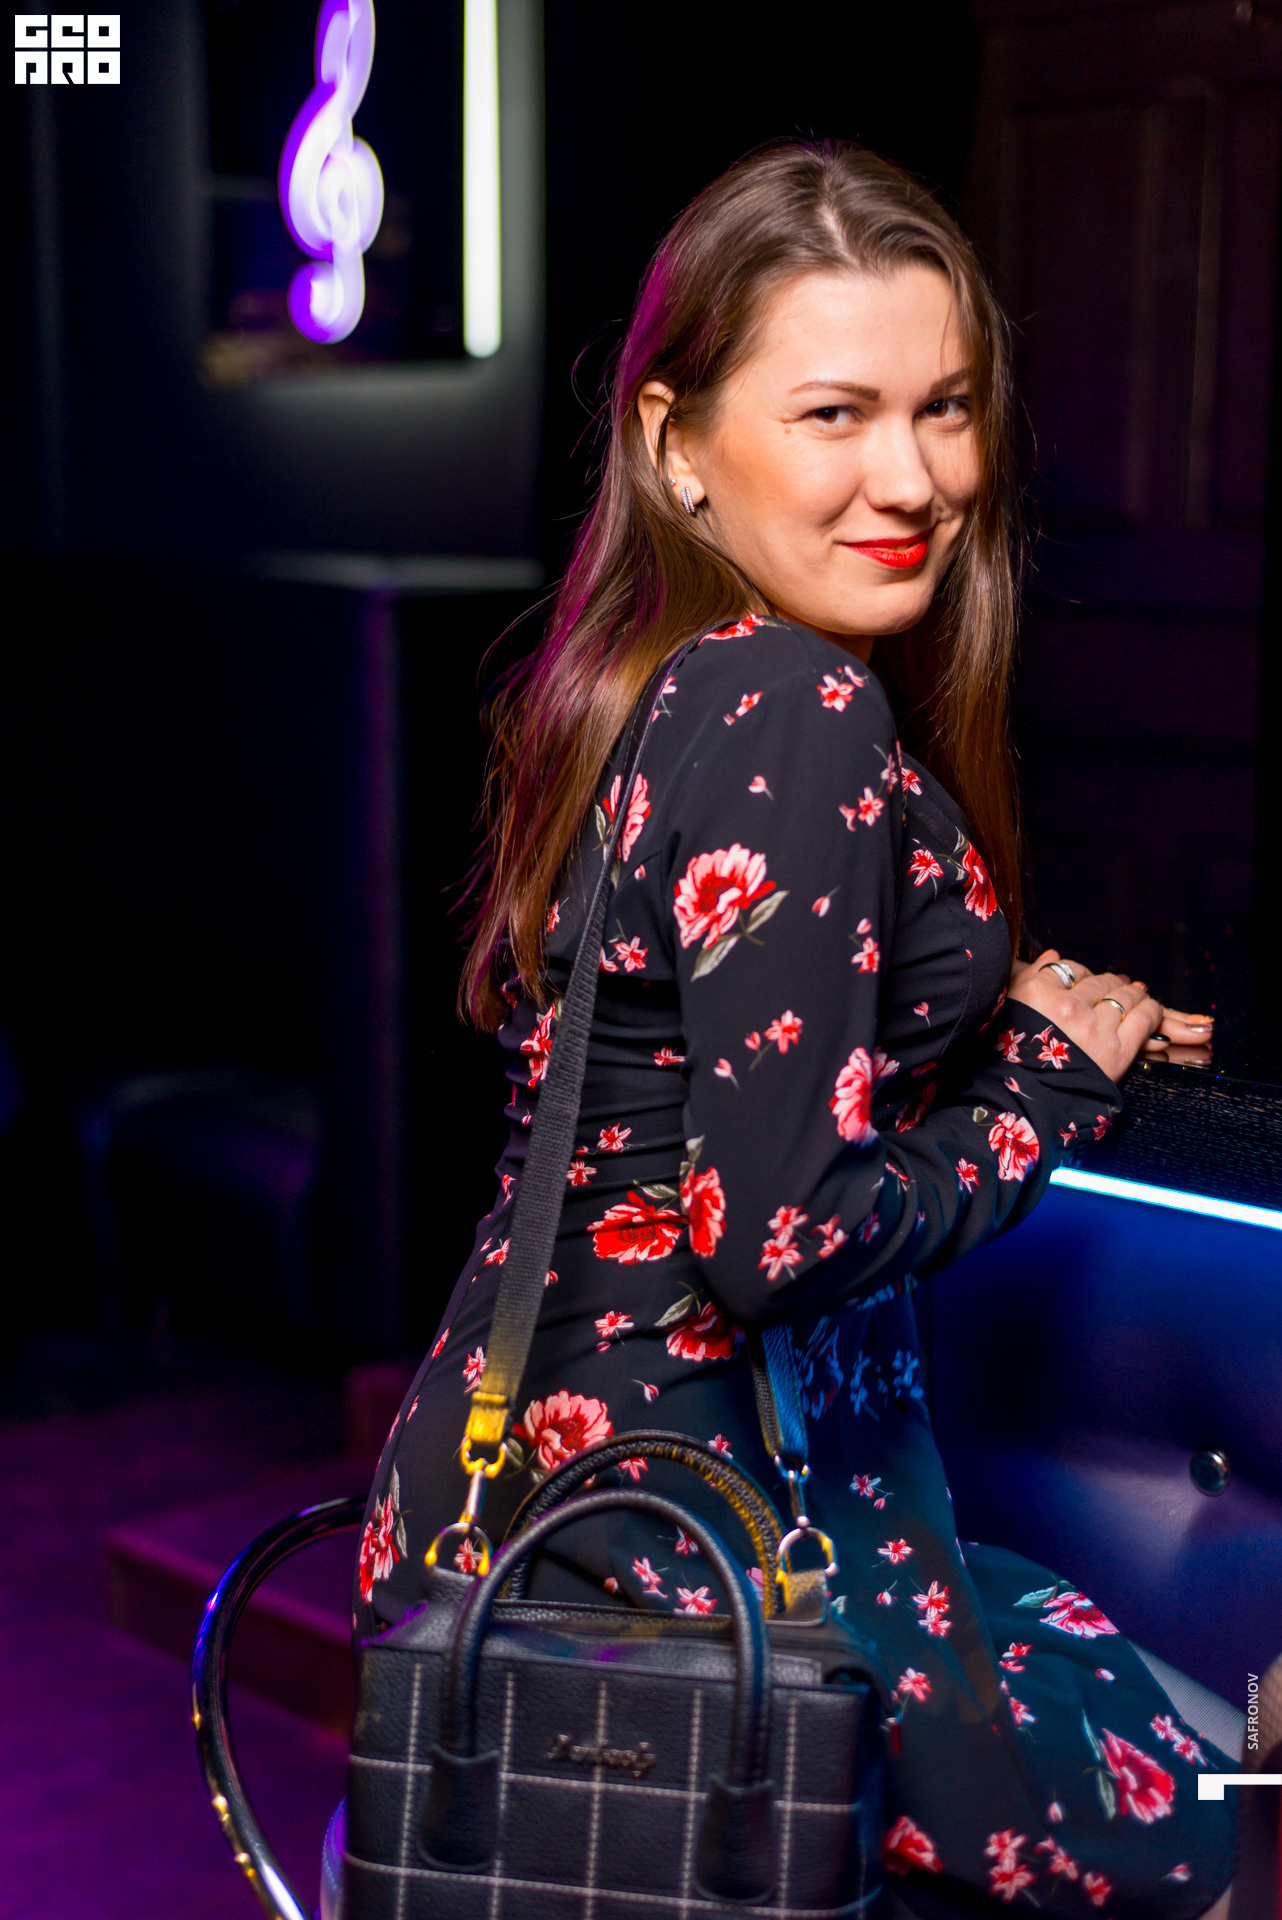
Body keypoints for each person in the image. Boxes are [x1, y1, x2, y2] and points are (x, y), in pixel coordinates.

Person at [354, 141, 1233, 1918]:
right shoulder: (793, 702)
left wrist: (971, 1019)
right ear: (676, 443)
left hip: (566, 1493)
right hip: (702, 1532)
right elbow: (778, 1242)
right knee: (1195, 1822)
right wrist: (1043, 1079)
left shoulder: (658, 681)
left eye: (945, 408)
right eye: (834, 413)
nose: (912, 478)